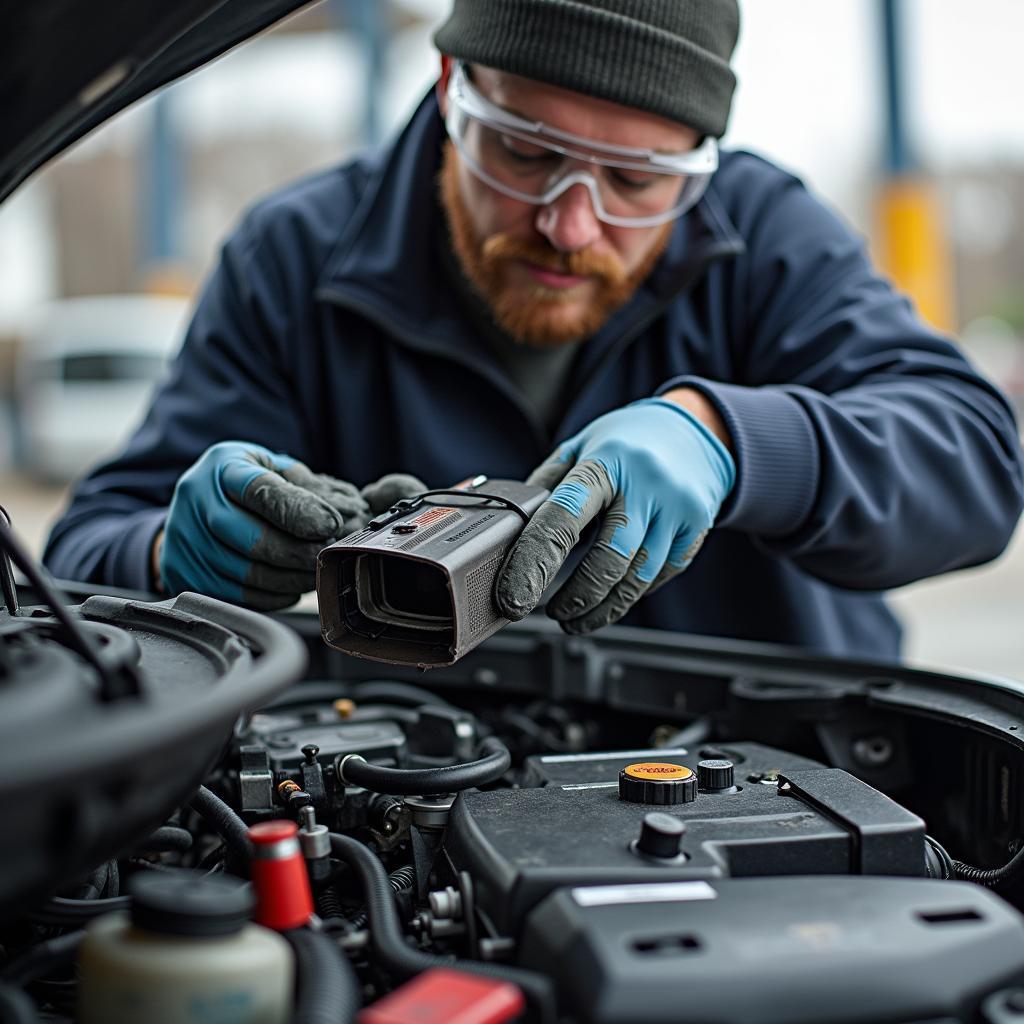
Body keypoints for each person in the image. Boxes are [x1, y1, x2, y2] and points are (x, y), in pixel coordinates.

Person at [44, 0, 1023, 658]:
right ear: (448, 89)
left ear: (697, 163)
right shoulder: (293, 260)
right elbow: (83, 554)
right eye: (523, 151)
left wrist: (736, 442)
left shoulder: (766, 239)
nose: (568, 224)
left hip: (772, 773)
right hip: (416, 783)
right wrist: (170, 553)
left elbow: (979, 462)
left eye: (634, 182)